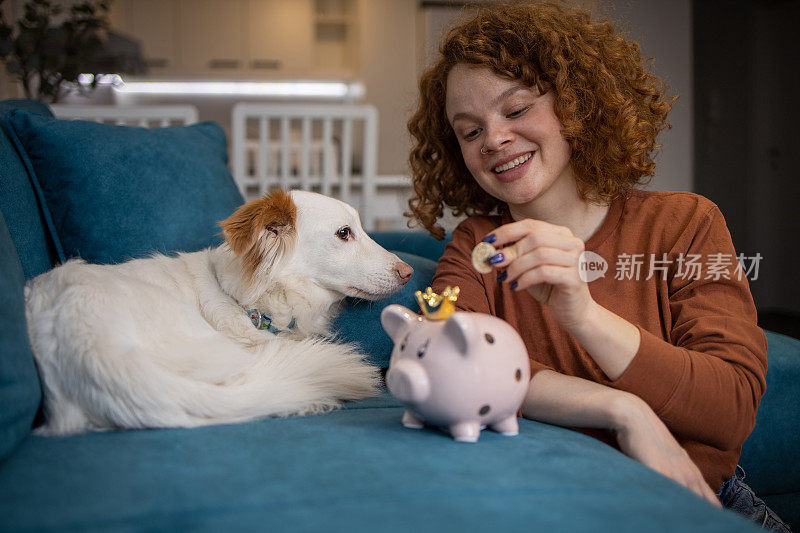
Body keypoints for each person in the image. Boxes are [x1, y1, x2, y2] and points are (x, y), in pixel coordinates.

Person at [406, 2, 790, 530]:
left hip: (705, 504)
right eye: (470, 132)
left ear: (576, 104)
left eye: (516, 111)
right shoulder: (475, 246)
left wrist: (582, 313)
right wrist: (623, 411)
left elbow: (729, 408)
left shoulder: (685, 223)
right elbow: (442, 360)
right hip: (559, 507)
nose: (493, 138)